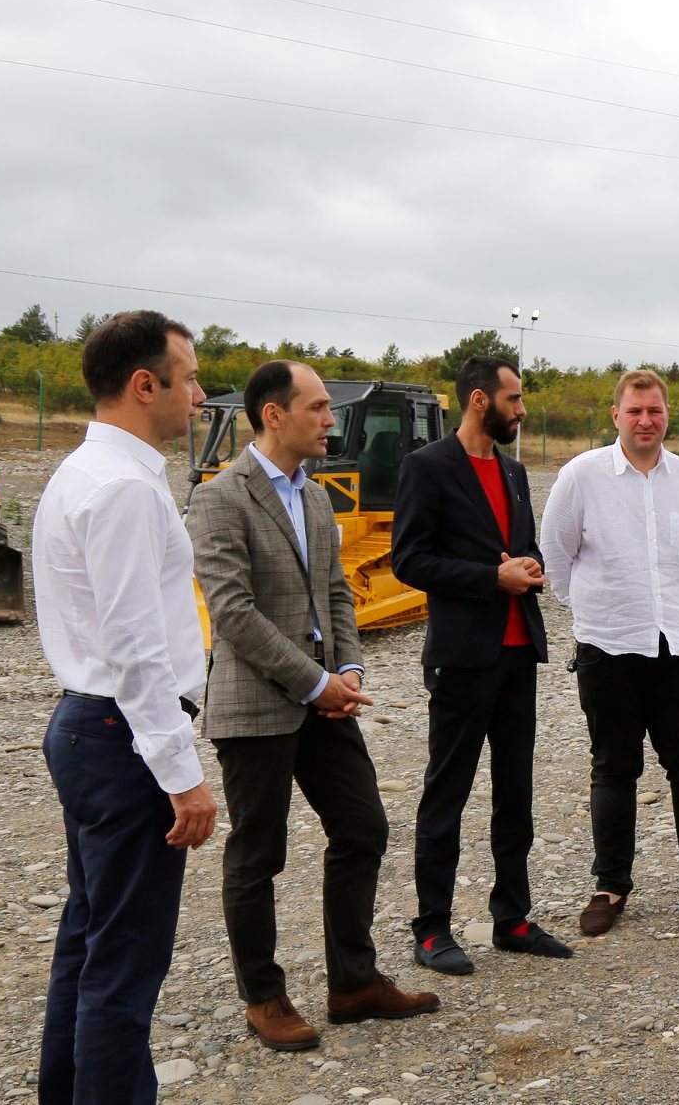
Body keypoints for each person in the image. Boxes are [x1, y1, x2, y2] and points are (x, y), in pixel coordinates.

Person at [185, 360, 438, 1050]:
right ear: (274, 414)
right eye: (319, 407)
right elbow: (233, 612)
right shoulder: (220, 497)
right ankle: (264, 997)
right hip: (256, 704)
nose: (331, 420)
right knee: (258, 854)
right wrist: (314, 681)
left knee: (363, 828)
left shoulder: (318, 498)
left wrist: (347, 669)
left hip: (325, 700)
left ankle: (353, 983)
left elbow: (335, 594)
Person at [33, 310, 217, 1105]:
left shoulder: (87, 471)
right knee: (124, 965)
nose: (200, 395)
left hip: (94, 726)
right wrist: (182, 774)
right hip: (121, 736)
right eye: (190, 377)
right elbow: (137, 646)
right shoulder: (123, 489)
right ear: (146, 384)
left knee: (90, 943)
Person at [392, 355, 571, 973]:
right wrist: (490, 578)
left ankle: (513, 919)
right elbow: (409, 560)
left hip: (519, 654)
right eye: (513, 399)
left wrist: (530, 565)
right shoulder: (427, 467)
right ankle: (431, 929)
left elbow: (520, 545)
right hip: (463, 658)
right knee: (447, 793)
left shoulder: (514, 471)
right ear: (479, 400)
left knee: (515, 794)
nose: (521, 409)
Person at [541, 368, 679, 935]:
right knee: (613, 767)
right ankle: (611, 885)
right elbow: (556, 555)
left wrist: (660, 605)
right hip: (608, 645)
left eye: (655, 411)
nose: (645, 421)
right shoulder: (582, 476)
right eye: (635, 411)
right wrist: (597, 610)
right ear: (616, 415)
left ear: (667, 415)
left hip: (678, 645)